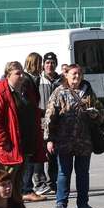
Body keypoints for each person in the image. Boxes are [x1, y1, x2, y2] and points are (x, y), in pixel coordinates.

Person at [0, 61, 47, 208]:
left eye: (22, 73)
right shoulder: (0, 94)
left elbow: (30, 111)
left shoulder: (24, 91)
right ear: (8, 75)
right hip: (10, 149)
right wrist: (5, 142)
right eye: (17, 73)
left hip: (25, 146)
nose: (21, 76)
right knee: (6, 183)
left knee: (18, 183)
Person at [45, 64, 100, 208]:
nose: (77, 76)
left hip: (84, 141)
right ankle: (61, 203)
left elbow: (100, 112)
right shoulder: (59, 92)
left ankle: (83, 203)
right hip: (64, 141)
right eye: (74, 73)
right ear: (66, 75)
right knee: (63, 173)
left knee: (83, 173)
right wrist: (49, 139)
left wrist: (95, 114)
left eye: (79, 74)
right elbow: (50, 116)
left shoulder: (88, 91)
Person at [21, 53, 53, 200]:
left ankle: (27, 188)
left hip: (32, 122)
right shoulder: (27, 80)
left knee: (32, 157)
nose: (42, 66)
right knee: (29, 157)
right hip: (28, 125)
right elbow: (27, 104)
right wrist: (39, 112)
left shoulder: (32, 79)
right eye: (40, 63)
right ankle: (27, 190)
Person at [42, 52, 62, 185]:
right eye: (47, 63)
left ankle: (53, 181)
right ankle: (40, 182)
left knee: (53, 154)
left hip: (57, 124)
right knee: (41, 155)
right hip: (41, 123)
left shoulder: (61, 81)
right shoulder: (38, 80)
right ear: (43, 65)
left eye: (52, 63)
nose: (50, 65)